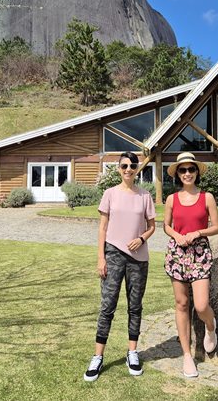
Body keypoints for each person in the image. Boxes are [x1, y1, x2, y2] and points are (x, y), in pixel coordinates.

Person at [84, 151, 157, 382]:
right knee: (107, 306)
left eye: (132, 165)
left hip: (138, 258)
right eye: (124, 165)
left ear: (137, 169)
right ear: (118, 168)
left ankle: (132, 353)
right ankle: (97, 357)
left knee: (135, 307)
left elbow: (152, 226)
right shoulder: (110, 194)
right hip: (113, 255)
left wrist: (142, 238)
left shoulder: (145, 195)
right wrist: (101, 258)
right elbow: (103, 229)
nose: (128, 169)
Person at [163, 151, 218, 378]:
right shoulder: (172, 199)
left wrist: (198, 232)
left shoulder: (207, 197)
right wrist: (175, 235)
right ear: (178, 174)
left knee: (200, 305)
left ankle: (210, 326)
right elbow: (166, 226)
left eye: (191, 169)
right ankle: (187, 356)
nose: (187, 173)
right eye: (183, 170)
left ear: (197, 172)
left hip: (199, 253)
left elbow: (217, 227)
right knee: (181, 304)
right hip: (177, 253)